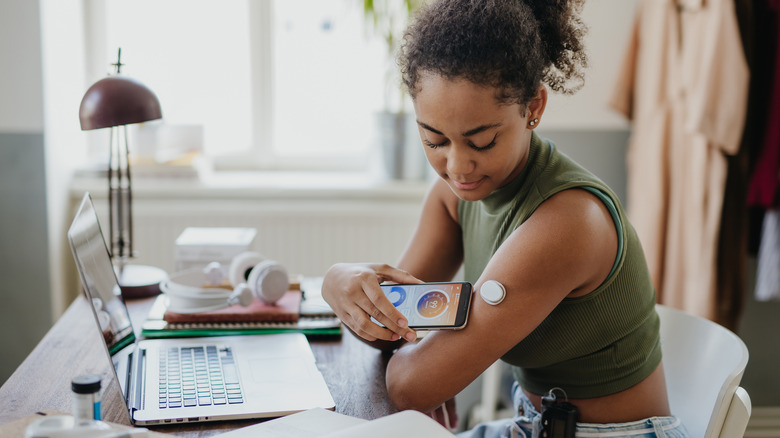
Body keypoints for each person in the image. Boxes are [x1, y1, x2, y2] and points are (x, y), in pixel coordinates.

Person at [321, 1, 689, 437]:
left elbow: (412, 384)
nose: (457, 167)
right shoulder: (454, 198)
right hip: (531, 426)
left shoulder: (568, 223)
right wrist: (337, 280)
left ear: (533, 106)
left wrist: (413, 345)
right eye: (434, 140)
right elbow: (392, 327)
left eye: (482, 141)